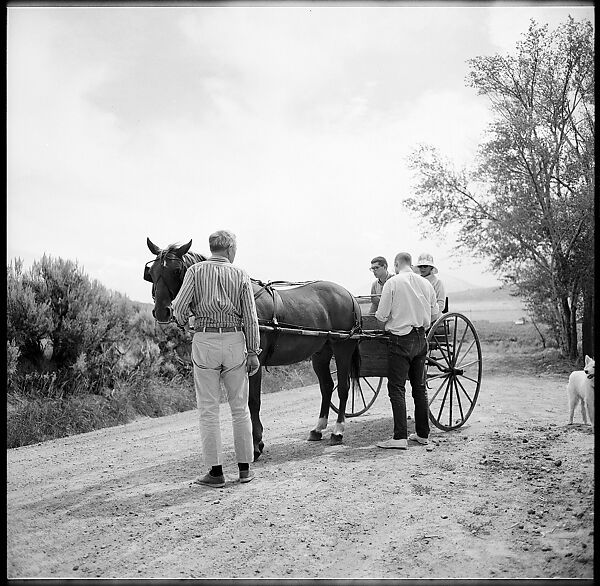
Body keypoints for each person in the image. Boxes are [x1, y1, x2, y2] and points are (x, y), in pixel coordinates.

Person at [172, 230, 261, 487]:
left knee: (209, 411)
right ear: (230, 249)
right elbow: (251, 317)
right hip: (234, 341)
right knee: (239, 408)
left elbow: (178, 308)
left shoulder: (195, 272)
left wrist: (189, 321)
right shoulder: (240, 274)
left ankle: (216, 473)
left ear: (211, 248)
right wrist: (253, 351)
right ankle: (244, 470)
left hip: (206, 340)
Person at [375, 252, 440, 449]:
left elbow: (382, 316)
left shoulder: (392, 283)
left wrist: (385, 324)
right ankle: (422, 434)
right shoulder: (426, 284)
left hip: (400, 340)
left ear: (395, 264)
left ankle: (399, 437)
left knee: (396, 388)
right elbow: (435, 313)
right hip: (421, 338)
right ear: (410, 264)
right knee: (419, 388)